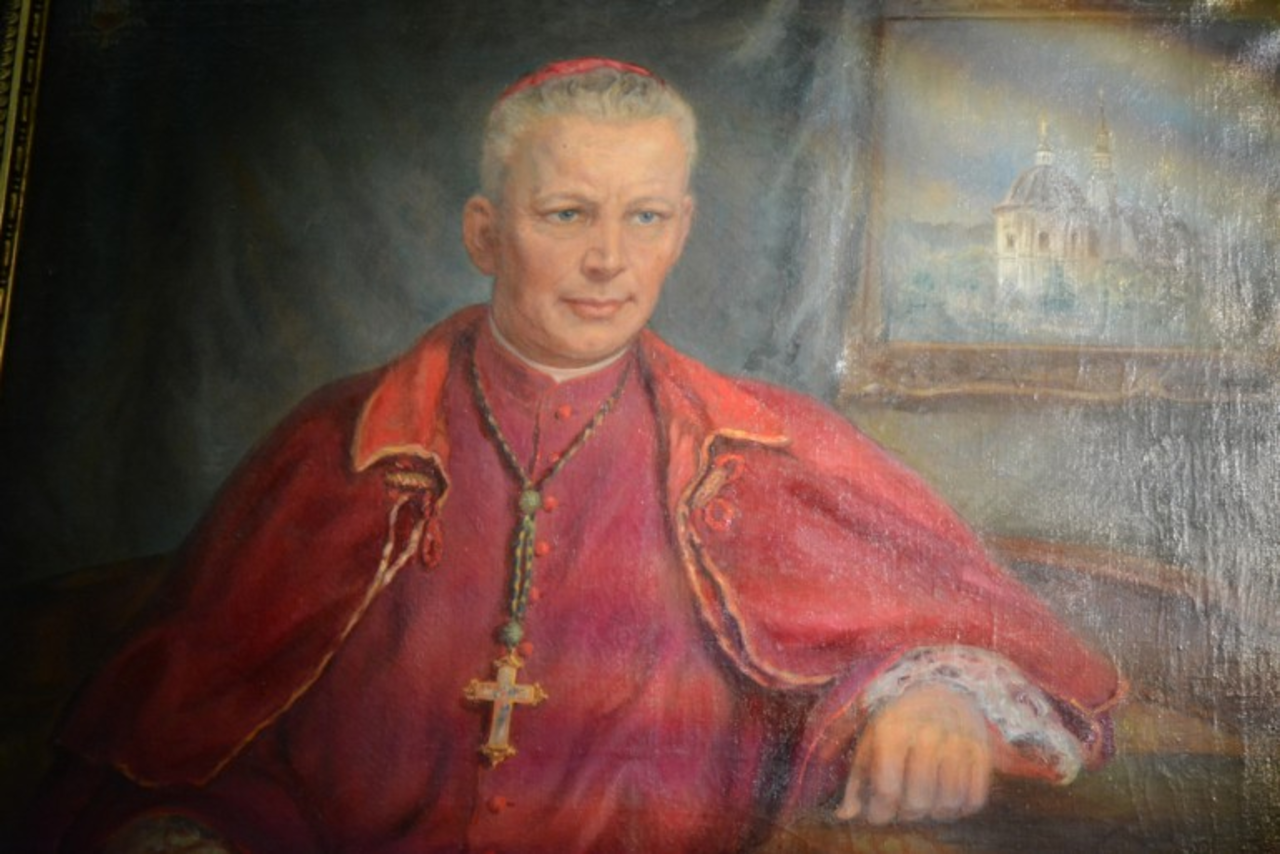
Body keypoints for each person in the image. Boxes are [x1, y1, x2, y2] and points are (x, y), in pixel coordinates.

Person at [31, 58, 1123, 853]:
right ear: (484, 232)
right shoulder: (343, 446)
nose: (608, 259)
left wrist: (923, 697)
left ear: (680, 229)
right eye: (565, 214)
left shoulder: (759, 451)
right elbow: (183, 743)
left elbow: (922, 633)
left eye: (643, 217)